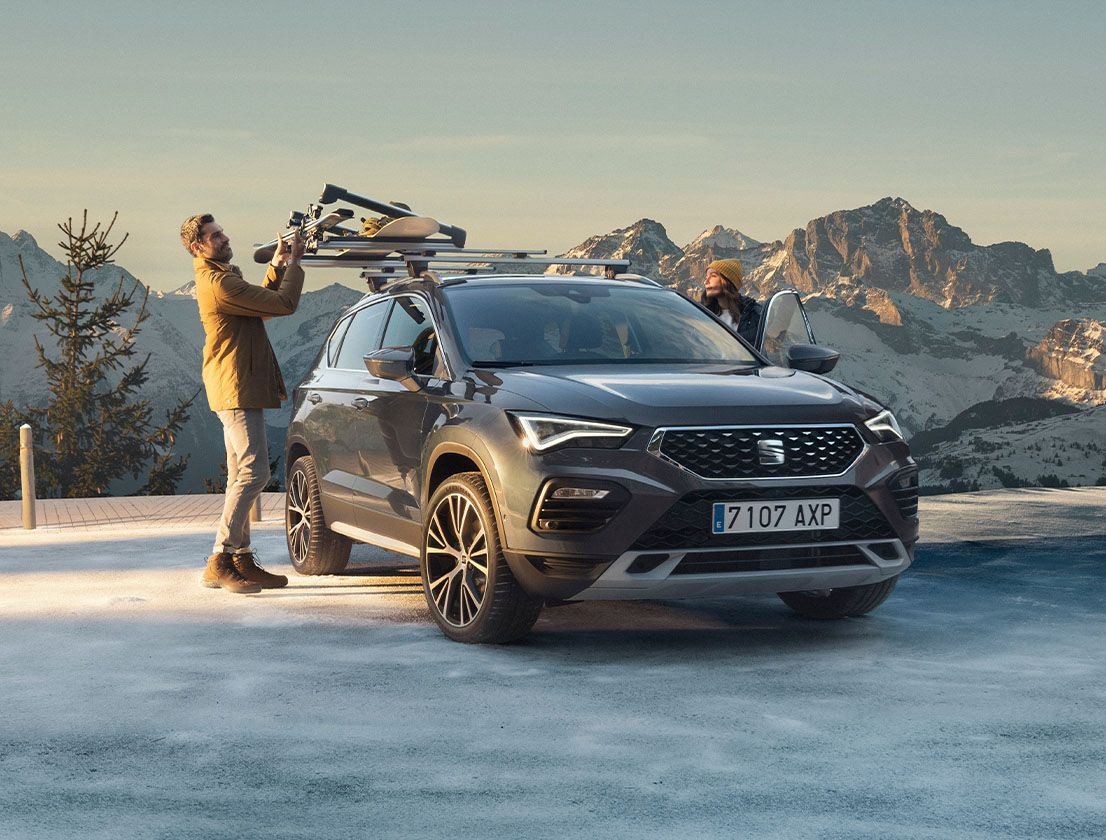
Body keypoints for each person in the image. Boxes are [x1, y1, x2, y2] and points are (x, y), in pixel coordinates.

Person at [180, 214, 305, 594]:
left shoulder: (222, 277)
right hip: (236, 387)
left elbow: (263, 305)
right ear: (197, 246)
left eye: (222, 232)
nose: (224, 238)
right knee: (255, 472)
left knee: (240, 475)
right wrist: (296, 262)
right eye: (215, 236)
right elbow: (285, 304)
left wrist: (276, 265)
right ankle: (220, 558)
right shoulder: (218, 282)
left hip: (234, 385)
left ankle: (241, 558)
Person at [700, 259, 761, 345]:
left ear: (728, 281)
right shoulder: (701, 312)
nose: (706, 282)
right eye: (706, 277)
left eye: (713, 276)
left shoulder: (753, 314)